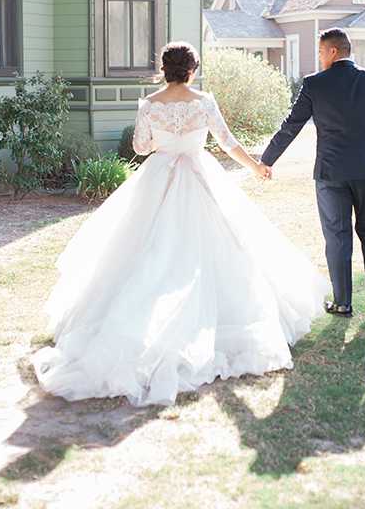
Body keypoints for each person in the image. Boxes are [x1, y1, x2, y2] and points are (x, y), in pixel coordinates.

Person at [33, 41, 330, 407]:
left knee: (144, 246)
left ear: (163, 69)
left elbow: (140, 148)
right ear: (192, 68)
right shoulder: (204, 102)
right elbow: (226, 140)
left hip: (159, 175)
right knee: (219, 246)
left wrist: (163, 139)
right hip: (199, 171)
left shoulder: (150, 103)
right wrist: (255, 166)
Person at [259, 28, 365, 318]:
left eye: (322, 51)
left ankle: (343, 304)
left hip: (331, 175)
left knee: (338, 238)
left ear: (333, 51)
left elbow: (292, 125)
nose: (320, 57)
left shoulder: (314, 84)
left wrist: (267, 159)